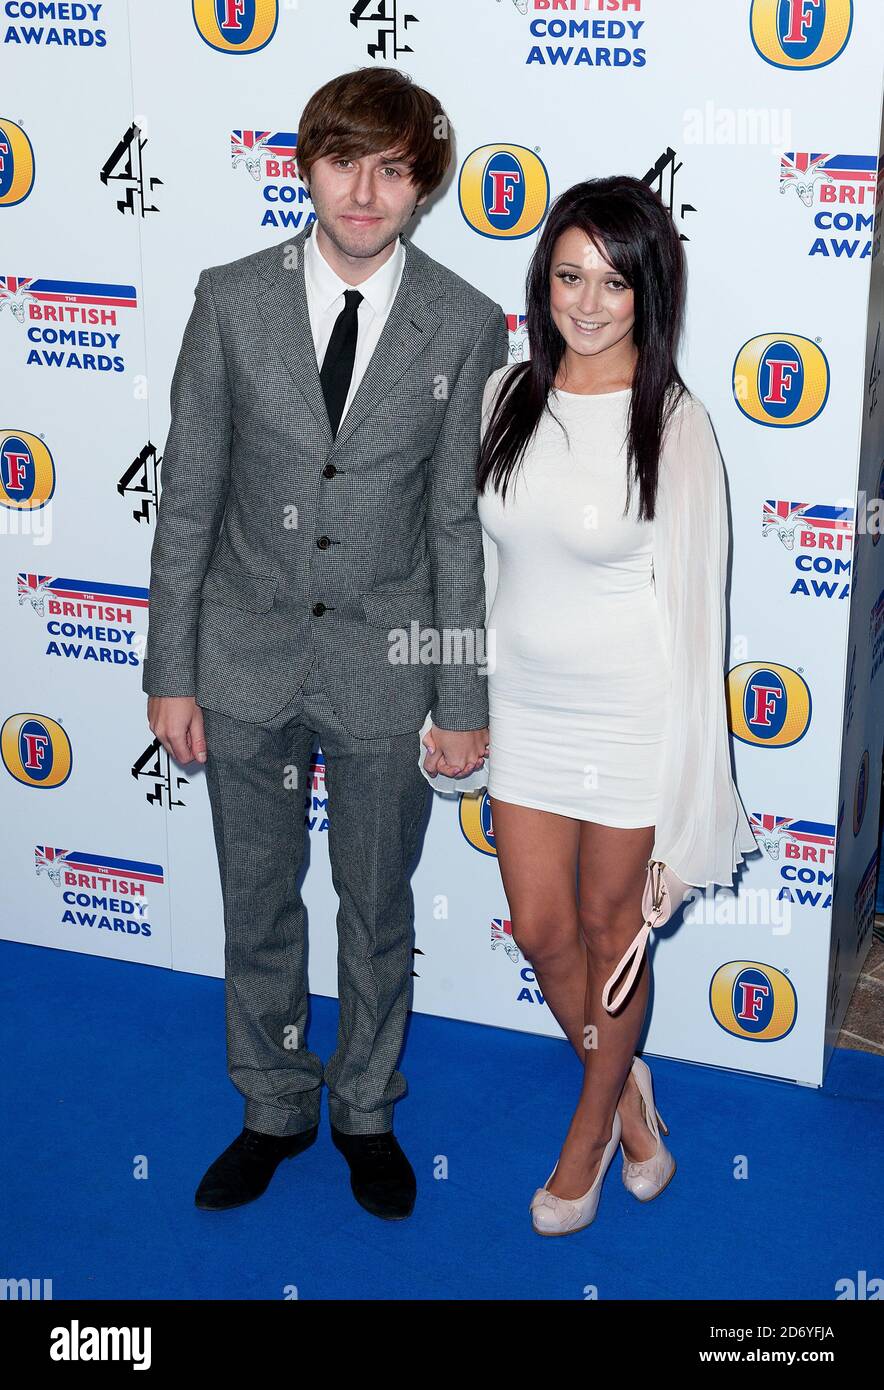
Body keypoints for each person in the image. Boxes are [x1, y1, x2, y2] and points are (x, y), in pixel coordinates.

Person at [143, 66, 506, 1219]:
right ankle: (271, 1101)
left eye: (393, 168)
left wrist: (461, 695)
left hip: (385, 672)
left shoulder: (464, 319)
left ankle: (365, 1105)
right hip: (241, 659)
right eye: (344, 160)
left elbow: (454, 524)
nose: (364, 189)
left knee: (374, 903)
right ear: (304, 164)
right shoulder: (230, 299)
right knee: (257, 897)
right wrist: (171, 670)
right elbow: (189, 496)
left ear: (420, 187)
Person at [470, 176, 758, 1235]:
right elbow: (484, 571)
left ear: (648, 293)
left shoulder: (674, 424)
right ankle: (628, 1085)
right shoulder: (505, 396)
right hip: (527, 714)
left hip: (630, 721)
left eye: (612, 281)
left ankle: (590, 1135)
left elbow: (696, 625)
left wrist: (690, 806)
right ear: (541, 278)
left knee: (608, 929)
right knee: (544, 935)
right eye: (566, 275)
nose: (585, 302)